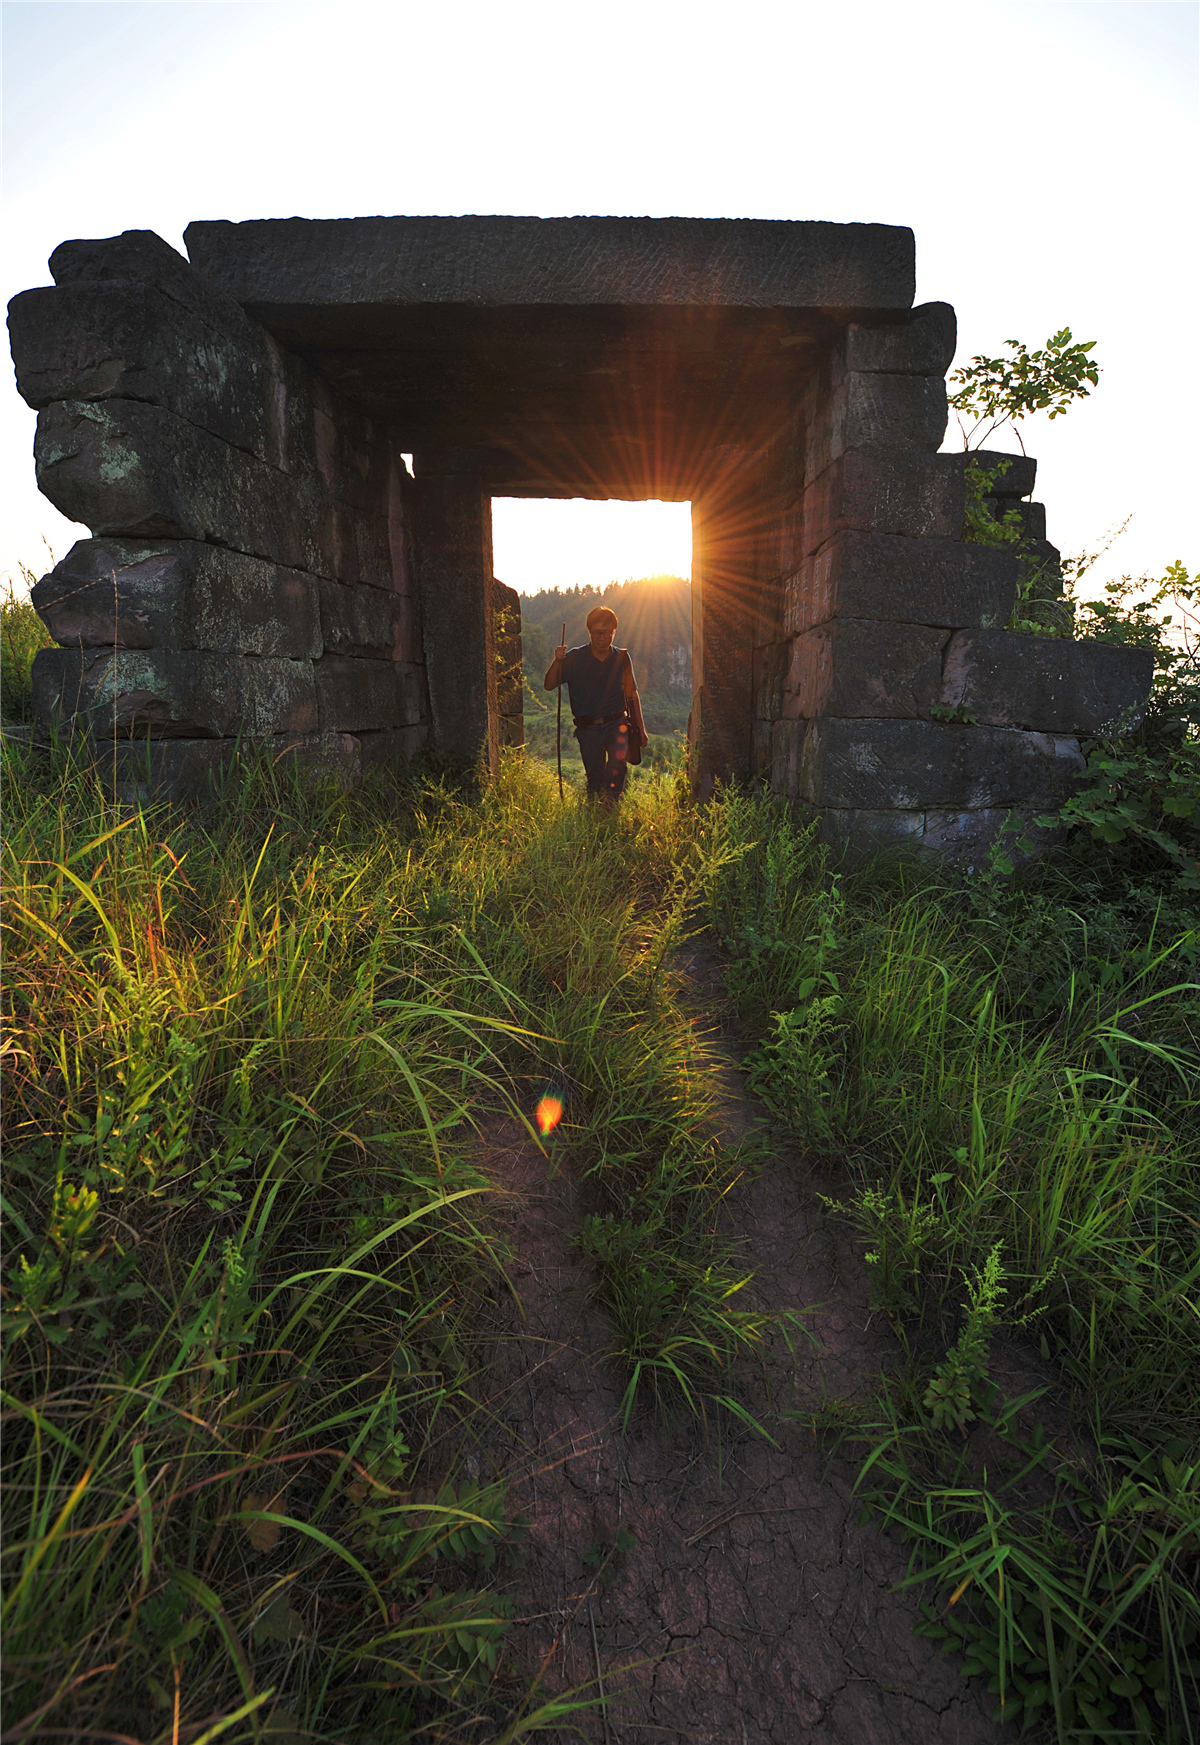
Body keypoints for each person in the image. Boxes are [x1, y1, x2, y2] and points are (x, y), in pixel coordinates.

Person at [544, 605, 649, 803]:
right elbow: (549, 685)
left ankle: (610, 808)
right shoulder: (574, 658)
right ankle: (594, 814)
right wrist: (557, 661)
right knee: (594, 777)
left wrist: (641, 730)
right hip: (588, 728)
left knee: (618, 766)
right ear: (590, 633)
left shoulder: (622, 657)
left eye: (608, 633)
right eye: (598, 633)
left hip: (616, 723)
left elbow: (632, 695)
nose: (603, 638)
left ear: (614, 632)